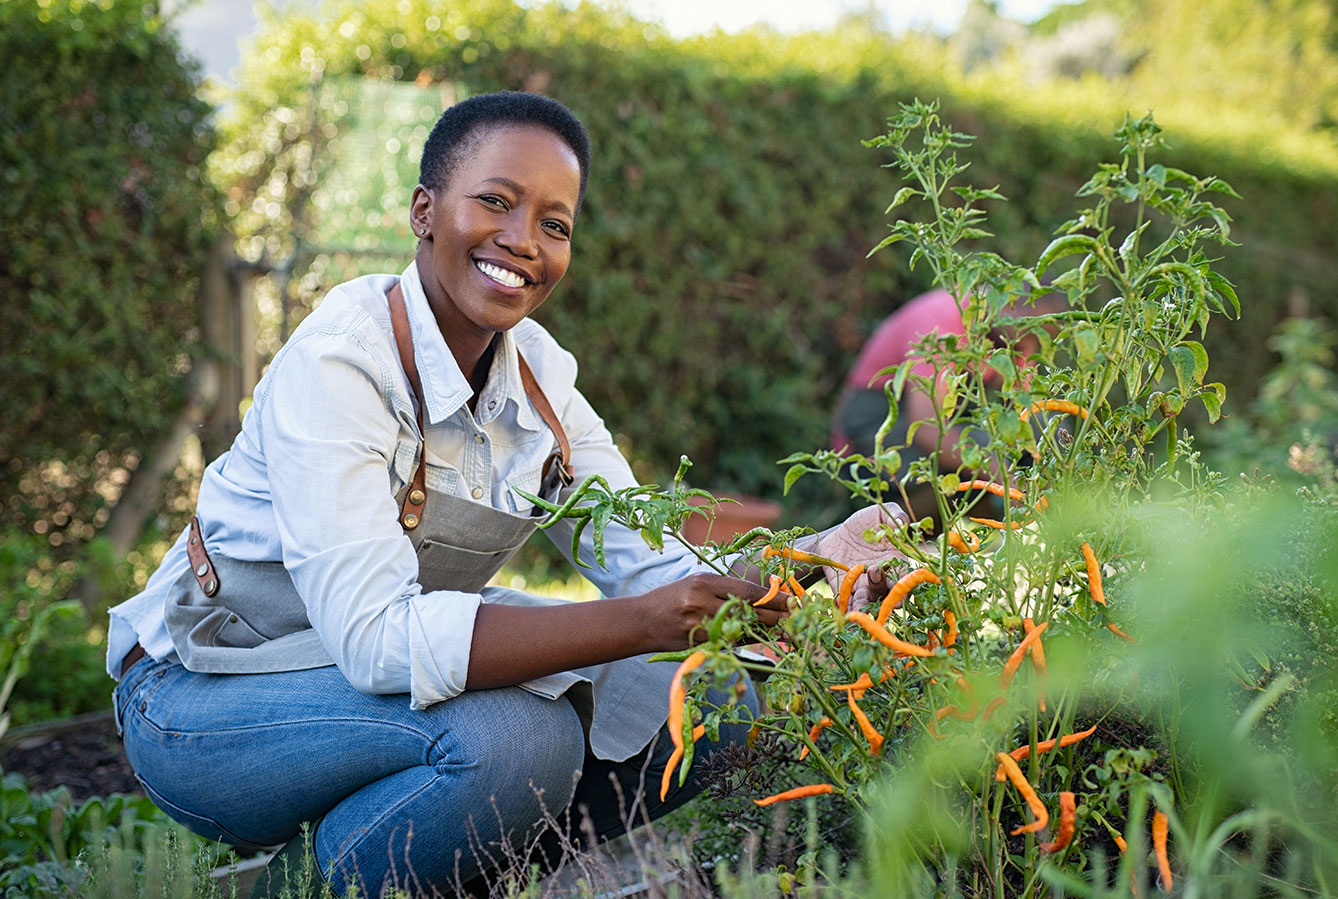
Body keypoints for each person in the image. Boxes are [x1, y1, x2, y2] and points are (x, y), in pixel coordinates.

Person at [108, 91, 904, 899]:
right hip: (205, 696)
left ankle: (446, 879)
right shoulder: (341, 365)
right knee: (518, 742)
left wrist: (811, 558)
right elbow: (379, 639)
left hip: (358, 692)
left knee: (718, 694)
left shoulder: (539, 379)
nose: (523, 241)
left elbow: (655, 563)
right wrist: (640, 626)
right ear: (424, 209)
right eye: (495, 200)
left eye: (555, 225)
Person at [830, 287, 1062, 520]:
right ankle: (895, 524)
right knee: (982, 451)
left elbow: (1030, 408)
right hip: (874, 428)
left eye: (1041, 337)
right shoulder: (941, 323)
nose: (1030, 344)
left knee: (1049, 426)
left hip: (938, 421)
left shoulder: (1015, 337)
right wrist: (1002, 475)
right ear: (1007, 304)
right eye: (1029, 333)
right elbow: (926, 428)